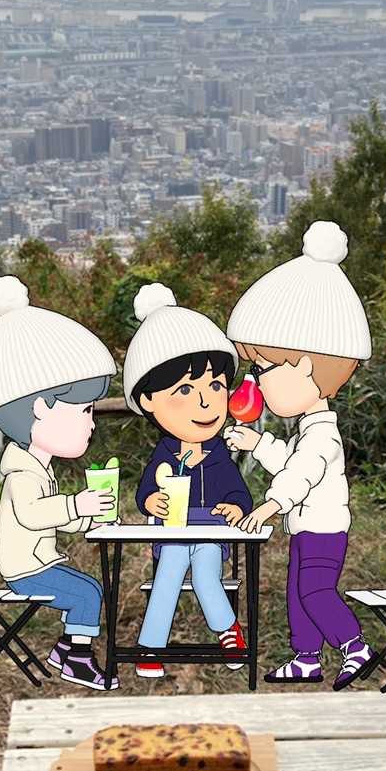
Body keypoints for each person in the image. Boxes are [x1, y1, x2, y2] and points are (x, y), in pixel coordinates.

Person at [225, 221, 374, 689]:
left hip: (324, 530)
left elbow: (301, 475)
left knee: (315, 591)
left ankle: (355, 646)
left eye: (264, 369)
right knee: (297, 590)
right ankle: (306, 656)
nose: (257, 382)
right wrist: (257, 444)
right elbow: (291, 460)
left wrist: (268, 506)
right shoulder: (309, 429)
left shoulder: (322, 437)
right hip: (308, 527)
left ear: (307, 365)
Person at [0, 275, 119, 691]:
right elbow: (34, 514)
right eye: (85, 411)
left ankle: (67, 650)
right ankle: (77, 660)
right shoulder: (23, 472)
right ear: (40, 407)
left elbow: (53, 515)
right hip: (24, 569)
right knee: (88, 593)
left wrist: (87, 519)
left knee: (89, 589)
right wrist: (77, 506)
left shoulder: (39, 466)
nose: (91, 423)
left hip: (39, 561)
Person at [122, 283, 253, 679]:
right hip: (173, 533)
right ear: (149, 401)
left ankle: (229, 632)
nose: (205, 401)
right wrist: (151, 502)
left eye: (215, 386)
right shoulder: (164, 454)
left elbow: (240, 494)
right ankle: (151, 646)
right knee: (168, 574)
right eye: (184, 390)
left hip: (210, 532)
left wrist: (236, 508)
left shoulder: (219, 455)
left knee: (208, 576)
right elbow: (145, 491)